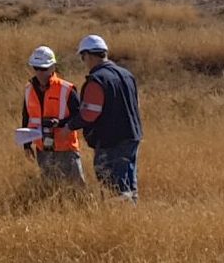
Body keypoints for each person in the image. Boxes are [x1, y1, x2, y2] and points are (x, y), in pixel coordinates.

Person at [65, 33, 141, 202]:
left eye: (83, 58)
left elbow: (89, 114)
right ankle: (132, 215)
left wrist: (69, 127)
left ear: (88, 55)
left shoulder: (97, 80)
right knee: (129, 184)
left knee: (112, 187)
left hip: (110, 141)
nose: (84, 62)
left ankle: (120, 221)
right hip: (132, 136)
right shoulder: (127, 75)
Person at [19, 45, 86, 186]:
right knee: (50, 187)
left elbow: (81, 116)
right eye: (36, 68)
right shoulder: (28, 89)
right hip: (43, 149)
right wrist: (26, 145)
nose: (40, 72)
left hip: (66, 149)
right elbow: (27, 117)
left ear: (53, 67)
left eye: (44, 68)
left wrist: (60, 123)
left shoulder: (66, 89)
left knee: (76, 189)